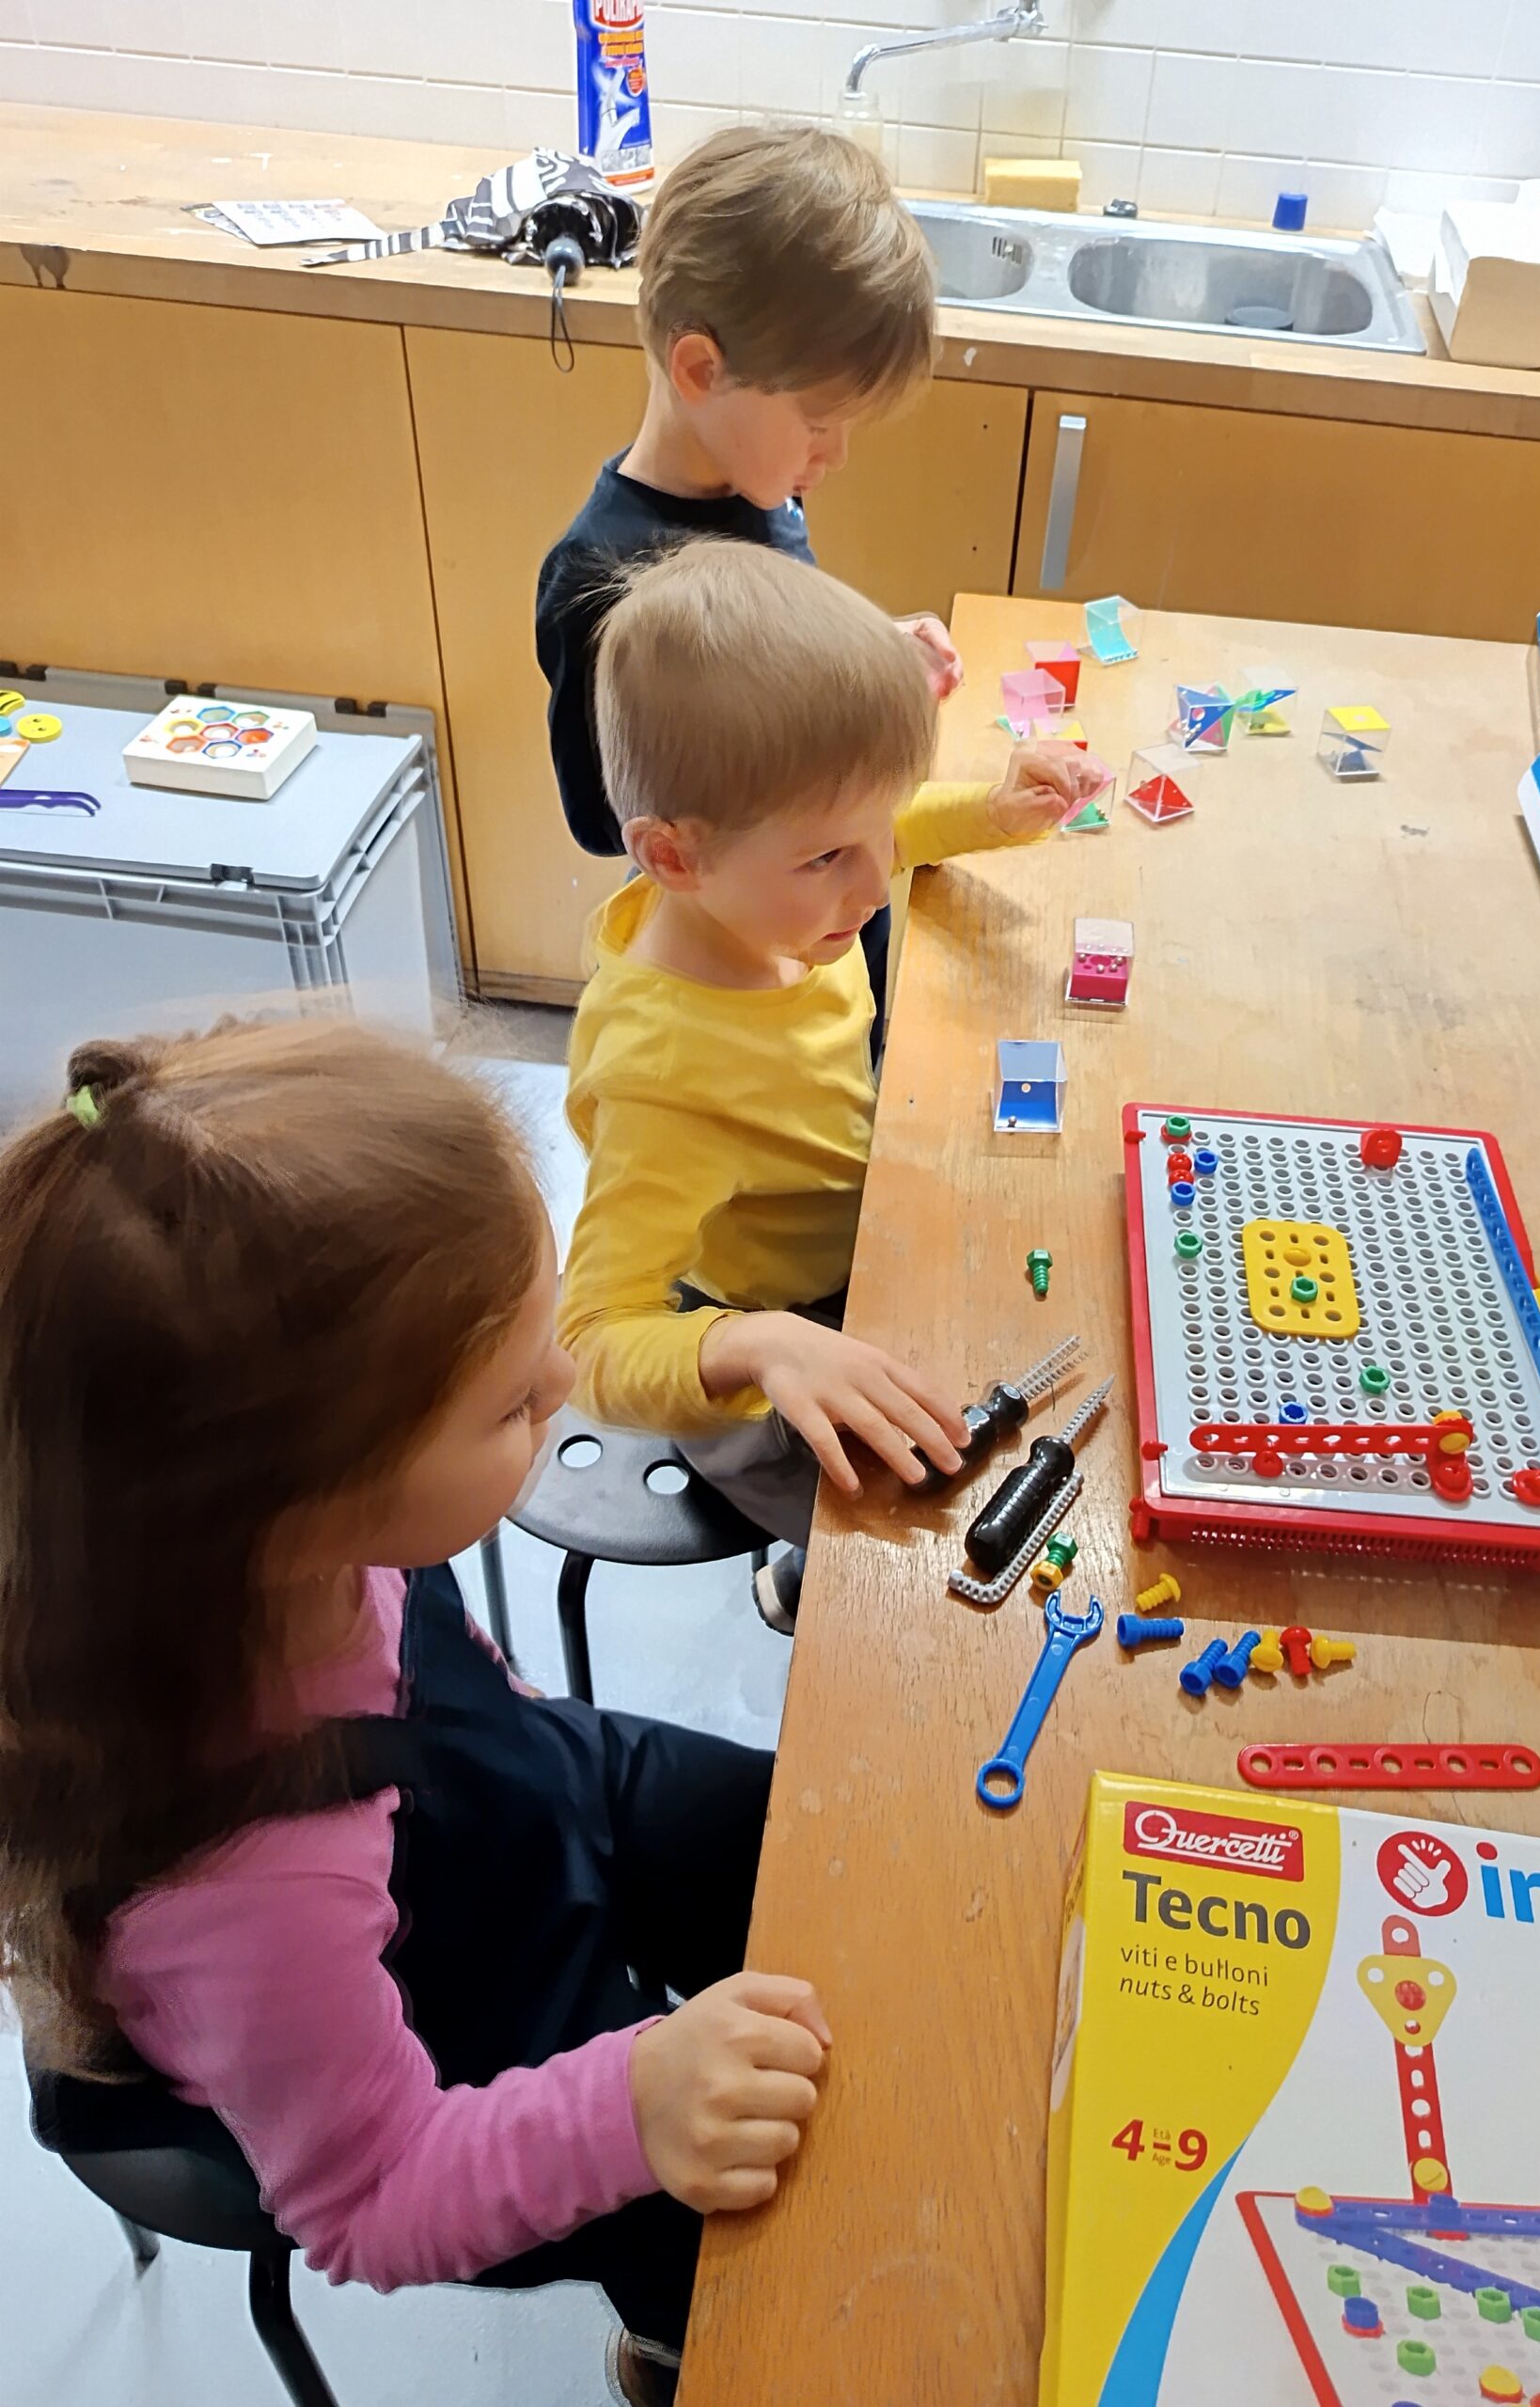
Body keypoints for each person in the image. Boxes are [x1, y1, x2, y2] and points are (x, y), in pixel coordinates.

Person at [0, 1021, 828, 2407]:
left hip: (532, 1800)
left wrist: (524, 1738)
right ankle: (673, 2339)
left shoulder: (282, 1550)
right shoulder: (248, 1884)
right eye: (511, 1402)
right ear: (300, 1508)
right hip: (466, 2041)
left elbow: (451, 1687)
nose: (565, 1386)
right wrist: (632, 2107)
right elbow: (372, 2195)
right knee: (735, 2246)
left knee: (815, 1845)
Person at [558, 541, 1105, 1630]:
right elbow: (589, 1344)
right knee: (920, 1544)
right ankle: (801, 1575)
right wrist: (756, 1344)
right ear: (672, 857)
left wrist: (988, 812)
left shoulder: (766, 901)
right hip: (760, 1351)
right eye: (828, 859)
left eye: (876, 835)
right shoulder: (665, 1079)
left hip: (852, 1235)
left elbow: (873, 836)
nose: (874, 883)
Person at [535, 122, 960, 1060]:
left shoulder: (762, 493)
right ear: (702, 370)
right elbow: (607, 818)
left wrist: (862, 662)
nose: (836, 454)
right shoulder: (602, 574)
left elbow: (772, 670)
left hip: (824, 934)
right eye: (819, 421)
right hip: (741, 1000)